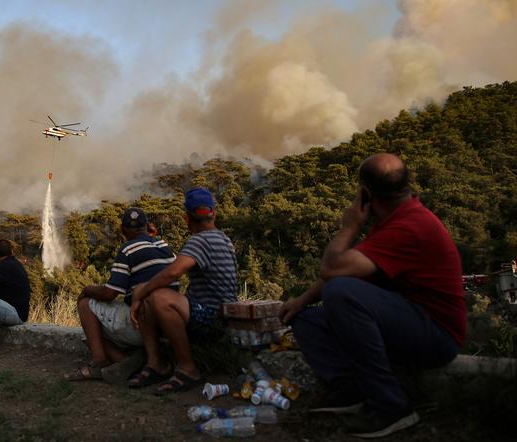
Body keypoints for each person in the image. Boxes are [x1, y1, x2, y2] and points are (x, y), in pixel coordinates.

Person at [279, 153, 466, 438]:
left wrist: (350, 227)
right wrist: (300, 301)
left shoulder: (408, 227)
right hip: (407, 323)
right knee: (306, 319)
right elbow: (347, 271)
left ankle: (392, 406)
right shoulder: (397, 219)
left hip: (436, 336)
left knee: (340, 293)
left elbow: (331, 269)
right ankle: (351, 389)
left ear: (365, 193)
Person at [129, 188, 238, 395]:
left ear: (186, 218)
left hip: (212, 318)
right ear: (214, 214)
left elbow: (173, 273)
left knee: (159, 297)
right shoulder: (222, 238)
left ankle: (188, 369)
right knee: (151, 295)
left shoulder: (200, 240)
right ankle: (156, 364)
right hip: (219, 314)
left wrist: (139, 294)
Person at [65, 207, 178, 384]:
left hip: (142, 324)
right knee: (96, 325)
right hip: (169, 323)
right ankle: (129, 362)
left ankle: (99, 362)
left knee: (86, 306)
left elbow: (110, 293)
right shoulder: (164, 245)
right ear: (147, 226)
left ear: (123, 230)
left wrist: (87, 289)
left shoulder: (127, 250)